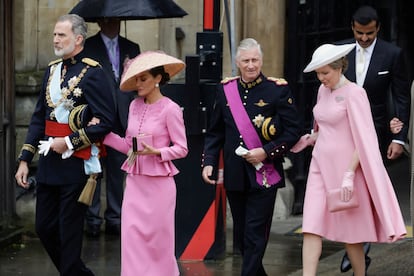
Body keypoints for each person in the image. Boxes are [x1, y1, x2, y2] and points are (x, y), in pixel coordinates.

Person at [291, 43, 406, 276]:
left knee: (351, 234)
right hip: (320, 166)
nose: (321, 78)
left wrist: (349, 173)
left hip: (347, 170)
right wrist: (310, 138)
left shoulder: (355, 93)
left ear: (339, 68)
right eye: (318, 74)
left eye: (325, 73)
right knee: (311, 227)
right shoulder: (323, 90)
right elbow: (326, 126)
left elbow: (364, 138)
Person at [14, 14, 115, 275]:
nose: (56, 40)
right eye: (55, 35)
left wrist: (69, 141)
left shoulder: (93, 73)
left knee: (69, 234)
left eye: (62, 35)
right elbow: (39, 118)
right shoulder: (52, 69)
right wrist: (25, 159)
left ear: (79, 39)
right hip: (49, 163)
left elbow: (105, 121)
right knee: (44, 228)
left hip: (77, 164)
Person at [202, 38, 301, 276]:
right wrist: (209, 162)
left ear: (262, 60)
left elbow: (293, 132)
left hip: (264, 175)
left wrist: (266, 152)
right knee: (243, 236)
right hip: (236, 175)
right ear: (237, 62)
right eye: (245, 60)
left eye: (255, 60)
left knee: (255, 234)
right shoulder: (225, 89)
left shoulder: (277, 89)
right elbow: (215, 131)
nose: (250, 65)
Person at [337, 5, 411, 272]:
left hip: (375, 132)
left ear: (378, 28)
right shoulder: (340, 50)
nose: (364, 38)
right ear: (352, 28)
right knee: (346, 188)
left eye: (369, 33)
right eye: (359, 32)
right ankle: (354, 246)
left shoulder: (392, 54)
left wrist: (399, 138)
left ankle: (361, 246)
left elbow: (402, 96)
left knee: (367, 190)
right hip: (342, 131)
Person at [102, 51, 188, 276]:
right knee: (131, 239)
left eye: (143, 79)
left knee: (159, 244)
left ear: (158, 79)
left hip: (160, 187)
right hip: (135, 183)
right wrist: (101, 133)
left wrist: (157, 151)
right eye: (136, 79)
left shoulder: (171, 109)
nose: (138, 84)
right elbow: (129, 146)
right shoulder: (133, 106)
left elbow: (182, 148)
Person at [82, 17, 141, 237]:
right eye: (108, 19)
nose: (112, 23)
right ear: (100, 22)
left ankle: (115, 218)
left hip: (123, 119)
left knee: (118, 172)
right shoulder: (89, 46)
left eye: (116, 19)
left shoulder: (131, 47)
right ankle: (93, 220)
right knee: (94, 169)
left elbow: (138, 82)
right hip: (97, 117)